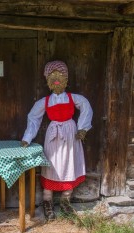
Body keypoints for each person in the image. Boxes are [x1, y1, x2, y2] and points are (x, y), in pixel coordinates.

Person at [21, 61, 93, 220]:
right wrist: (27, 138)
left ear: (66, 79)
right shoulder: (44, 102)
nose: (56, 79)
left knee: (69, 162)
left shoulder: (73, 98)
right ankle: (47, 200)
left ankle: (66, 200)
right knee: (51, 163)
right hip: (53, 135)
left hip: (70, 134)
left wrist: (82, 128)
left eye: (60, 76)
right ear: (47, 81)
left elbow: (86, 107)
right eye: (52, 76)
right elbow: (33, 119)